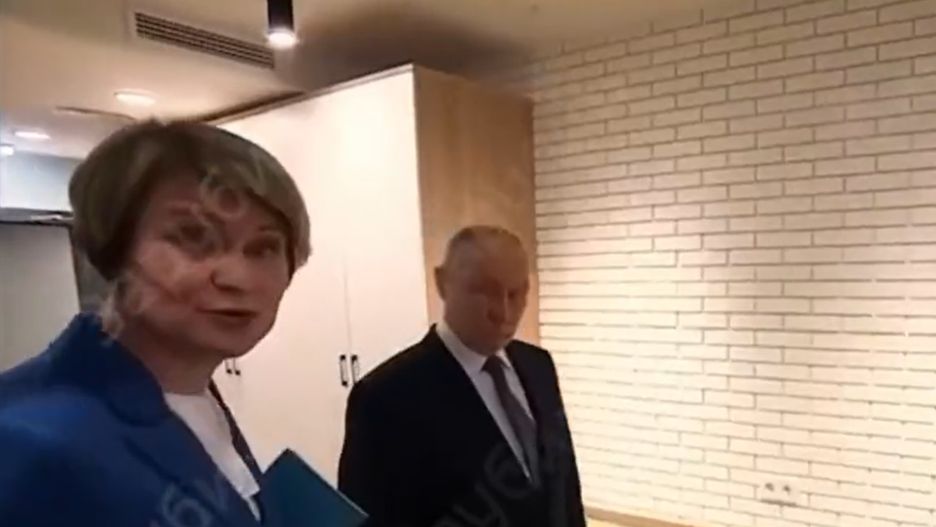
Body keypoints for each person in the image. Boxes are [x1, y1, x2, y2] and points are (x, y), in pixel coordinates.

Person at [0, 120, 311, 527]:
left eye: (263, 247)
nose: (237, 277)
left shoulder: (191, 394)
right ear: (113, 250)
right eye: (194, 239)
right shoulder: (27, 440)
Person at [338, 225, 586, 527]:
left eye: (516, 293)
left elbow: (565, 488)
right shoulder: (386, 397)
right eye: (485, 291)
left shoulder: (538, 366)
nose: (503, 311)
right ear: (442, 283)